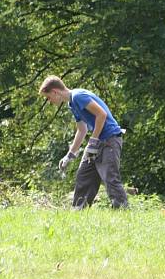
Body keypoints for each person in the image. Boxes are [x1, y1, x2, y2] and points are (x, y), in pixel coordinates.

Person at [38, 75, 128, 209]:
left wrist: (93, 141)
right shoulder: (71, 103)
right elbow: (82, 130)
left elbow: (101, 115)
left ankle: (122, 210)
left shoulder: (78, 96)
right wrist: (70, 155)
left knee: (110, 177)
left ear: (55, 92)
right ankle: (78, 211)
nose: (49, 101)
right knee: (84, 175)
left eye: (48, 97)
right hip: (97, 141)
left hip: (110, 139)